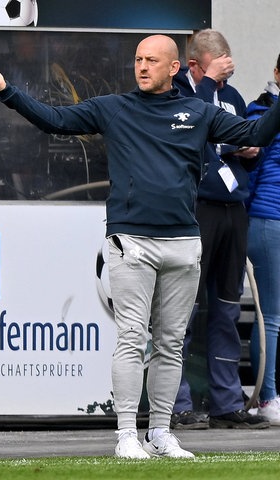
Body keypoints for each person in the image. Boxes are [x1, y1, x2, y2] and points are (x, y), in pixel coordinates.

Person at [0, 34, 280, 459]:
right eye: (138, 59)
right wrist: (7, 91)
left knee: (171, 344)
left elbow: (258, 131)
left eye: (152, 60)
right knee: (133, 339)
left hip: (183, 244)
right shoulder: (114, 107)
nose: (142, 66)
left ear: (174, 68)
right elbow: (54, 120)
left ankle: (160, 433)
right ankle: (125, 436)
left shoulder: (199, 111)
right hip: (131, 240)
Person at [171, 29, 269, 430]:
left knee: (227, 310)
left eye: (227, 75)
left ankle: (227, 402)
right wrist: (208, 83)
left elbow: (241, 141)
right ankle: (176, 405)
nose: (224, 83)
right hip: (194, 210)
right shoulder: (177, 92)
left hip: (233, 209)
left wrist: (250, 151)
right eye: (218, 73)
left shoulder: (231, 96)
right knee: (181, 312)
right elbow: (184, 130)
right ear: (195, 65)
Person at [245, 53, 280, 426]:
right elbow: (250, 171)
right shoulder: (261, 110)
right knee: (270, 315)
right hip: (268, 219)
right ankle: (266, 398)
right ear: (276, 73)